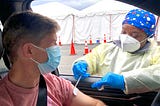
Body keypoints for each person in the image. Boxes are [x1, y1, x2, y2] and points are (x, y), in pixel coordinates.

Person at [0, 11, 106, 106]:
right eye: (53, 43)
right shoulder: (4, 99)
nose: (57, 48)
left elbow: (96, 104)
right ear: (29, 50)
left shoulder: (54, 83)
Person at [72, 8, 160, 94]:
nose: (127, 37)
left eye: (134, 35)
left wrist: (124, 80)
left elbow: (157, 74)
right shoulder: (109, 48)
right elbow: (93, 58)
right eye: (124, 32)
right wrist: (84, 63)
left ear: (148, 36)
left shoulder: (155, 52)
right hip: (108, 95)